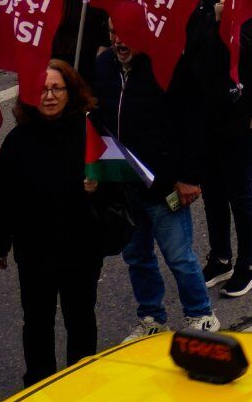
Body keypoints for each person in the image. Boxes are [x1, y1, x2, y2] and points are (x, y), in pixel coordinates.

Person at [0, 61, 120, 381]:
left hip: (81, 249)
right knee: (36, 323)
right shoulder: (18, 141)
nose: (49, 96)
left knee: (81, 320)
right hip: (35, 252)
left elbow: (118, 187)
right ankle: (39, 385)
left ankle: (81, 384)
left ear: (70, 92)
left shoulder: (91, 133)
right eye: (42, 90)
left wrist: (97, 188)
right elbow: (4, 195)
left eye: (56, 88)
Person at [89, 33, 217, 336]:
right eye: (113, 32)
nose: (119, 41)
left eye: (126, 33)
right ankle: (152, 319)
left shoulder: (168, 66)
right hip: (123, 185)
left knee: (179, 256)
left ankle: (201, 315)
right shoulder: (103, 65)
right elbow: (95, 119)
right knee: (137, 257)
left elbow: (193, 124)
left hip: (164, 186)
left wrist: (189, 178)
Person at [195, 0, 252, 300]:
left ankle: (247, 265)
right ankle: (221, 257)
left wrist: (225, 20)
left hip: (243, 116)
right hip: (210, 114)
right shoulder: (202, 10)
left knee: (239, 191)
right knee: (213, 190)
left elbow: (242, 53)